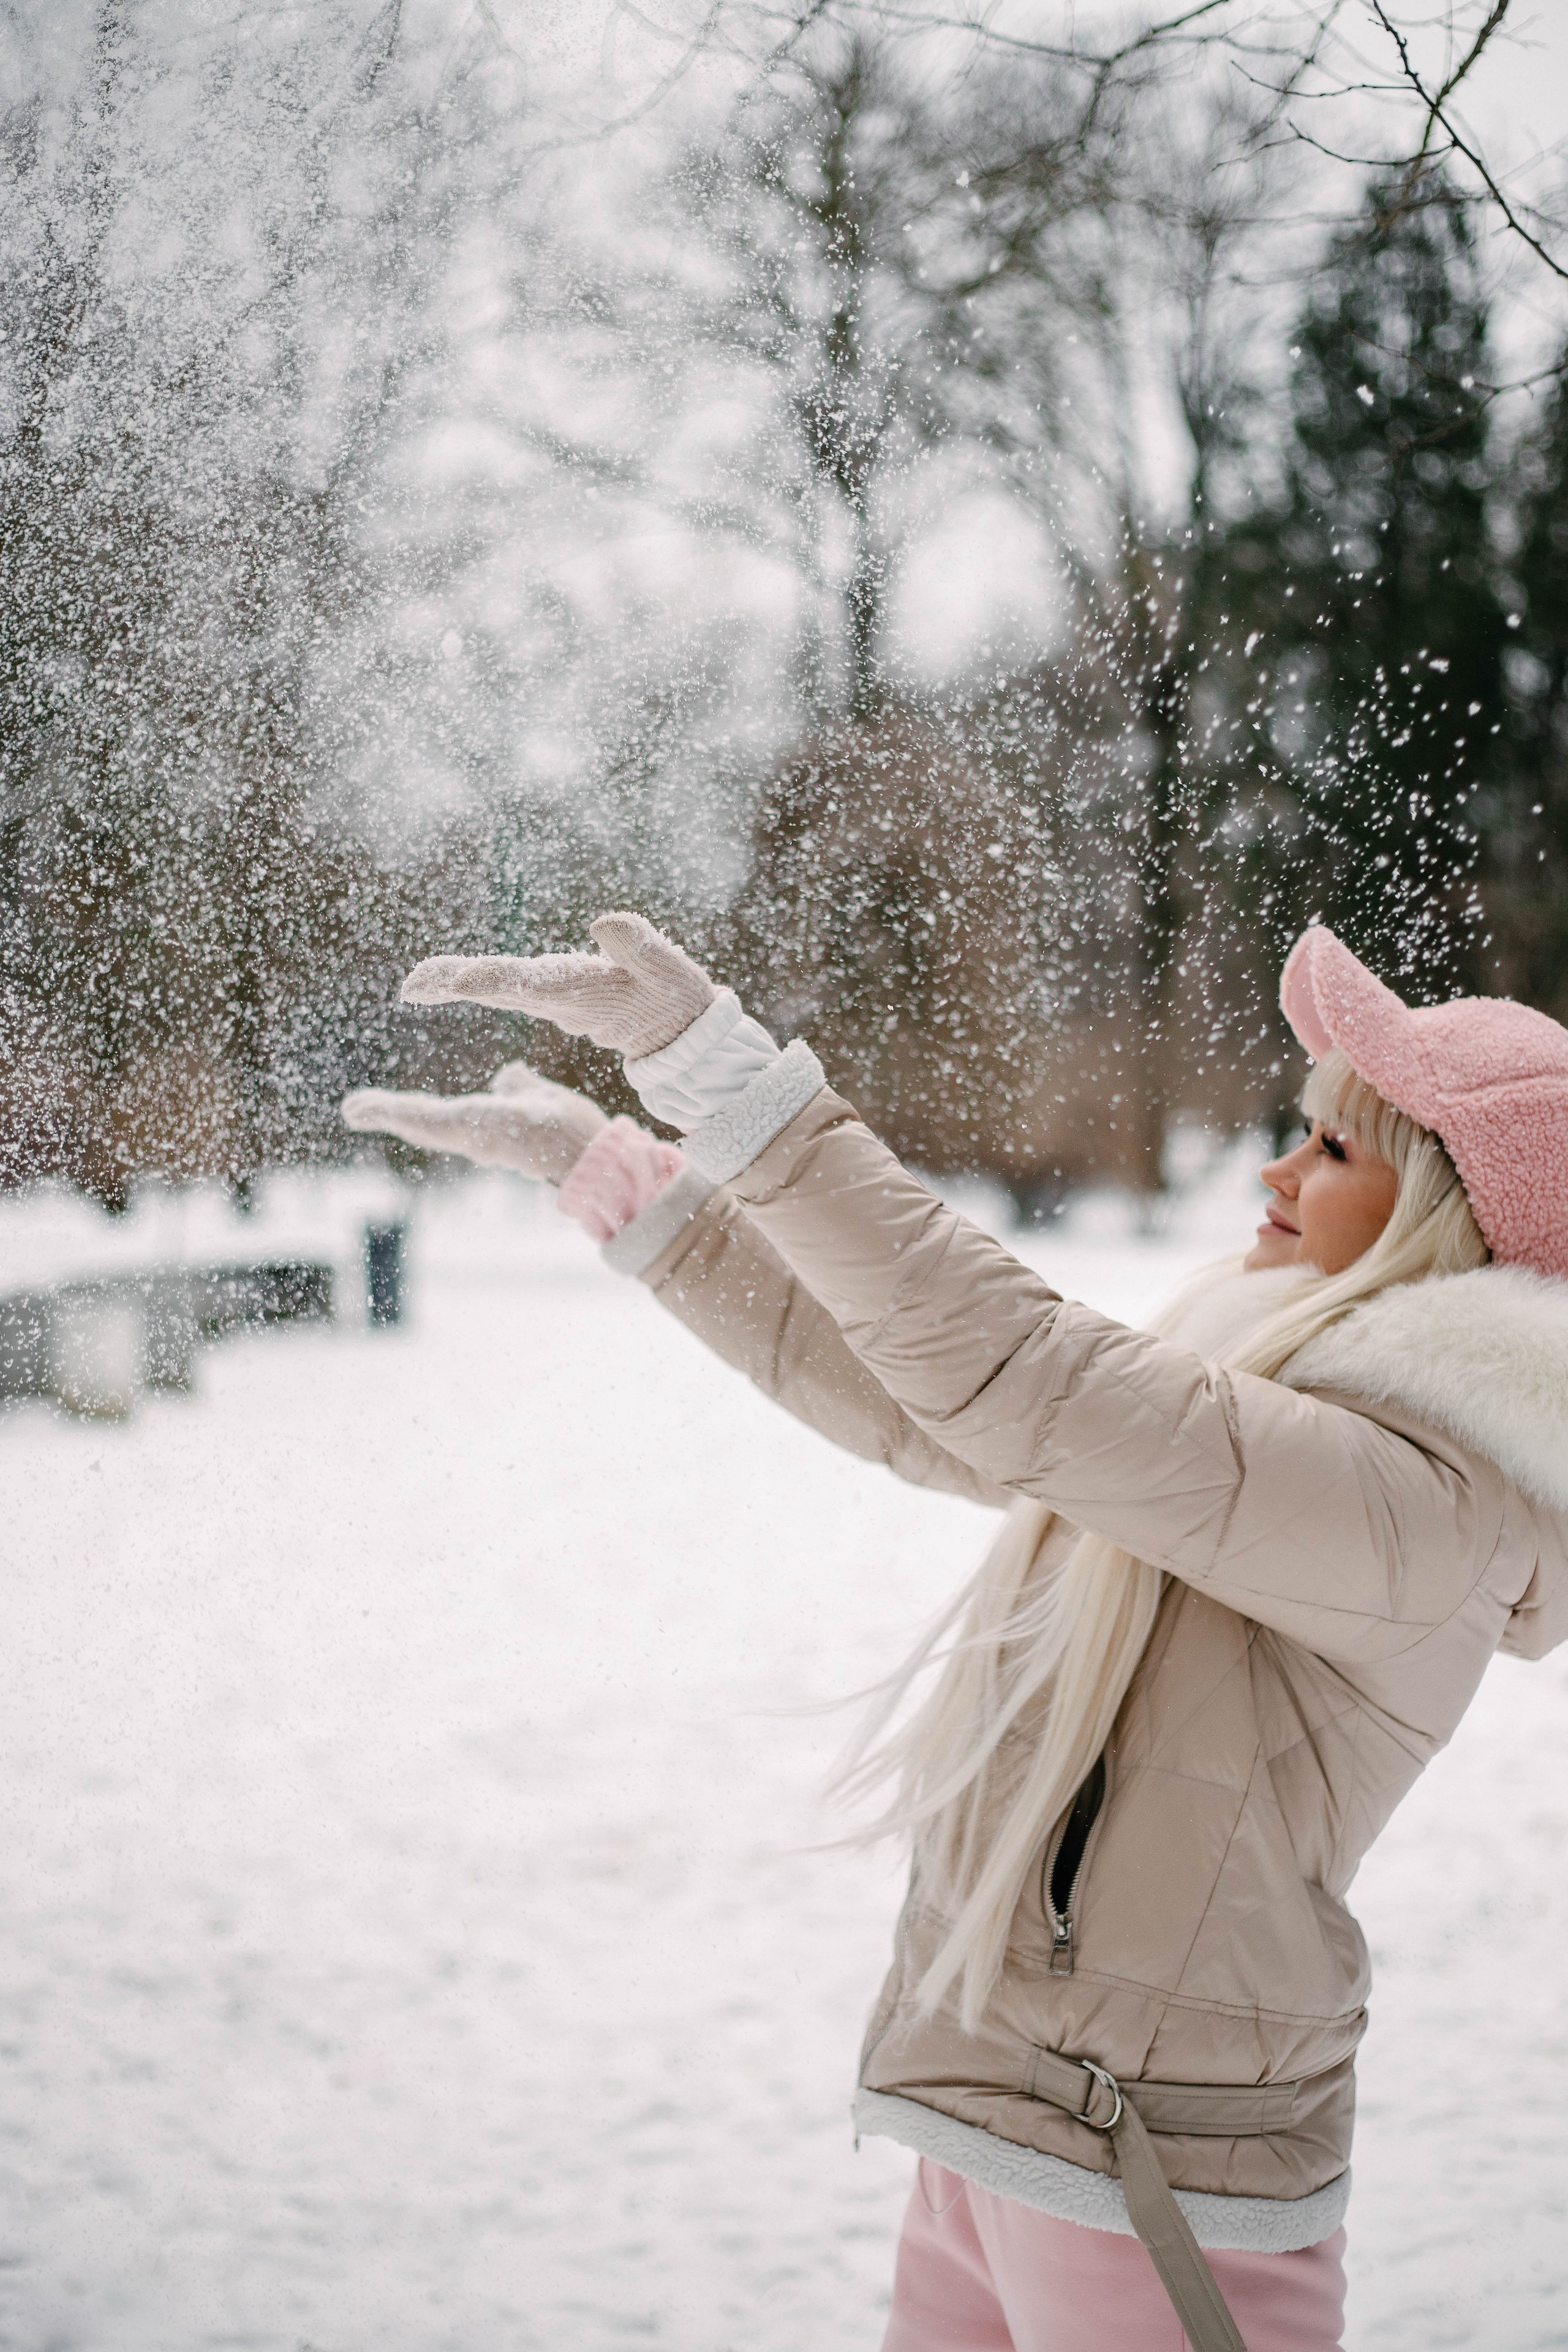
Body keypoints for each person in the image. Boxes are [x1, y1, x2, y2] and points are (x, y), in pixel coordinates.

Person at [344, 917, 1568, 2352]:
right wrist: (641, 1195)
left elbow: (1016, 1376)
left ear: (1449, 1215)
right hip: (1009, 2111)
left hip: (1151, 2164)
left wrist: (728, 1081)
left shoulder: (1416, 1505)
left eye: (1334, 1152)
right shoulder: (1267, 1407)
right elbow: (924, 1395)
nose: (1276, 1173)